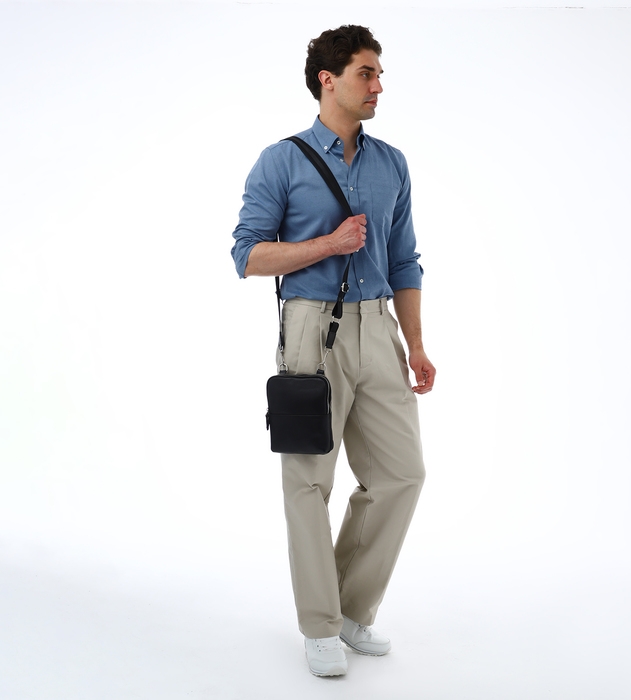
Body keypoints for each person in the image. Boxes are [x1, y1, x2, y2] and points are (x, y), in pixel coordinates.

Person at [231, 24, 436, 677]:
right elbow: (247, 255)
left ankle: (350, 608)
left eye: (379, 74)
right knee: (309, 482)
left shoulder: (392, 163)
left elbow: (404, 260)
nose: (378, 86)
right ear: (328, 79)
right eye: (366, 73)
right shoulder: (282, 161)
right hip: (310, 329)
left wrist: (416, 344)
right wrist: (328, 244)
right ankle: (319, 626)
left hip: (380, 328)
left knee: (403, 474)